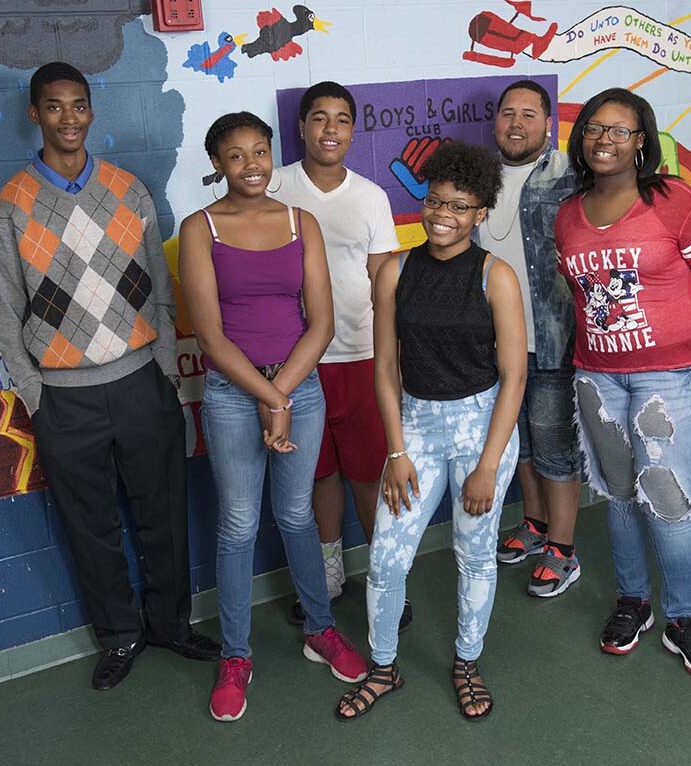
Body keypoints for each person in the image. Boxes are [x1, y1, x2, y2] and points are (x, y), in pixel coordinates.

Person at [0, 61, 220, 692]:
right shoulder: (9, 206)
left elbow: (162, 290)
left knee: (162, 513)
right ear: (34, 114)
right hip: (64, 398)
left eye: (78, 105)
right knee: (90, 527)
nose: (68, 118)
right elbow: (5, 314)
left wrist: (167, 370)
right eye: (54, 107)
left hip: (142, 381)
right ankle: (119, 636)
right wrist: (36, 396)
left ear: (92, 112)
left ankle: (171, 624)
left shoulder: (128, 189)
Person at [178, 111, 366, 722]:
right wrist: (268, 400)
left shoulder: (300, 222)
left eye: (260, 152)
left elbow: (322, 323)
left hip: (299, 389)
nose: (251, 165)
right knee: (236, 525)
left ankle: (320, 628)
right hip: (235, 396)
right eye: (235, 155)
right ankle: (236, 656)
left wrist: (282, 394)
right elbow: (209, 334)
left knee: (295, 514)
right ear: (217, 164)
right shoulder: (200, 228)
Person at [335, 141, 526, 722]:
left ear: (481, 213)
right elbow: (385, 367)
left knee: (475, 555)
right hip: (414, 422)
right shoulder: (394, 270)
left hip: (480, 427)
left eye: (461, 207)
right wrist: (395, 449)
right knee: (389, 558)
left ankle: (467, 661)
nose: (444, 215)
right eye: (437, 201)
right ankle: (385, 667)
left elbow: (514, 375)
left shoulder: (497, 276)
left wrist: (489, 465)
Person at [556, 88, 691, 681]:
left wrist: (688, 345)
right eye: (594, 129)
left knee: (670, 502)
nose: (604, 139)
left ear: (641, 142)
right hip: (597, 376)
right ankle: (633, 602)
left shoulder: (674, 202)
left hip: (668, 379)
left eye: (619, 130)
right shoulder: (568, 214)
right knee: (620, 496)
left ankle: (686, 620)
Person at [268, 81, 411, 628]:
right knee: (317, 473)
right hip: (293, 363)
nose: (331, 130)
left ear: (353, 130)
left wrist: (395, 354)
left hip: (361, 353)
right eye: (320, 118)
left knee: (369, 473)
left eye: (342, 119)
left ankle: (385, 576)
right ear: (301, 127)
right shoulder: (273, 186)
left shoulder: (372, 196)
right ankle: (328, 571)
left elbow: (384, 280)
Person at [481, 79, 583, 598]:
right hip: (495, 342)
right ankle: (537, 525)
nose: (516, 123)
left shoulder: (571, 174)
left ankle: (563, 550)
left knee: (554, 446)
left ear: (549, 124)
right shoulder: (478, 178)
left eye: (528, 114)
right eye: (506, 113)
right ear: (494, 121)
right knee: (518, 445)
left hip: (553, 337)